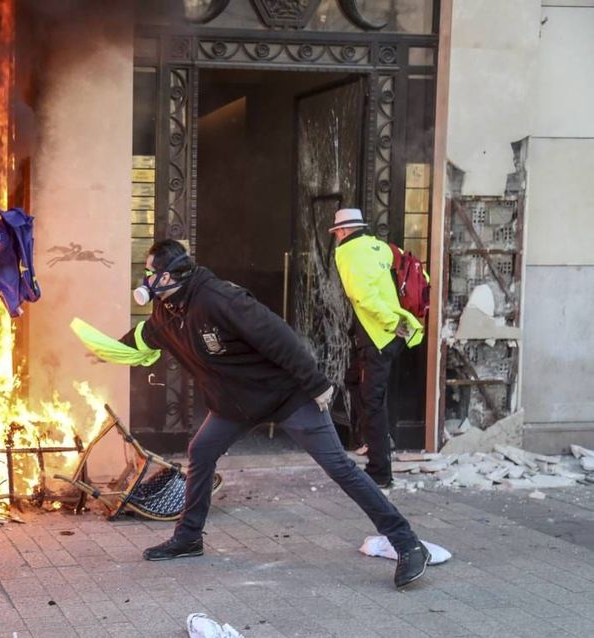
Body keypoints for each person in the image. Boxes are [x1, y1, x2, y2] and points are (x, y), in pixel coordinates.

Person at [118, 239, 430, 588]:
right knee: (201, 451)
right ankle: (188, 538)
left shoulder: (220, 299)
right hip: (236, 404)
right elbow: (147, 336)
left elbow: (279, 336)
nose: (146, 280)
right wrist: (111, 349)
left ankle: (407, 542)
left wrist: (315, 384)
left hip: (287, 396)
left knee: (339, 467)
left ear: (174, 274)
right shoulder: (168, 310)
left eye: (152, 273)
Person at [328, 209, 424, 489]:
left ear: (343, 232)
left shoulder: (347, 252)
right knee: (353, 380)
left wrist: (391, 321)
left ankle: (380, 471)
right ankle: (369, 440)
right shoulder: (380, 247)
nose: (336, 238)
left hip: (379, 336)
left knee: (373, 401)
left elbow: (362, 295)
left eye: (336, 233)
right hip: (390, 333)